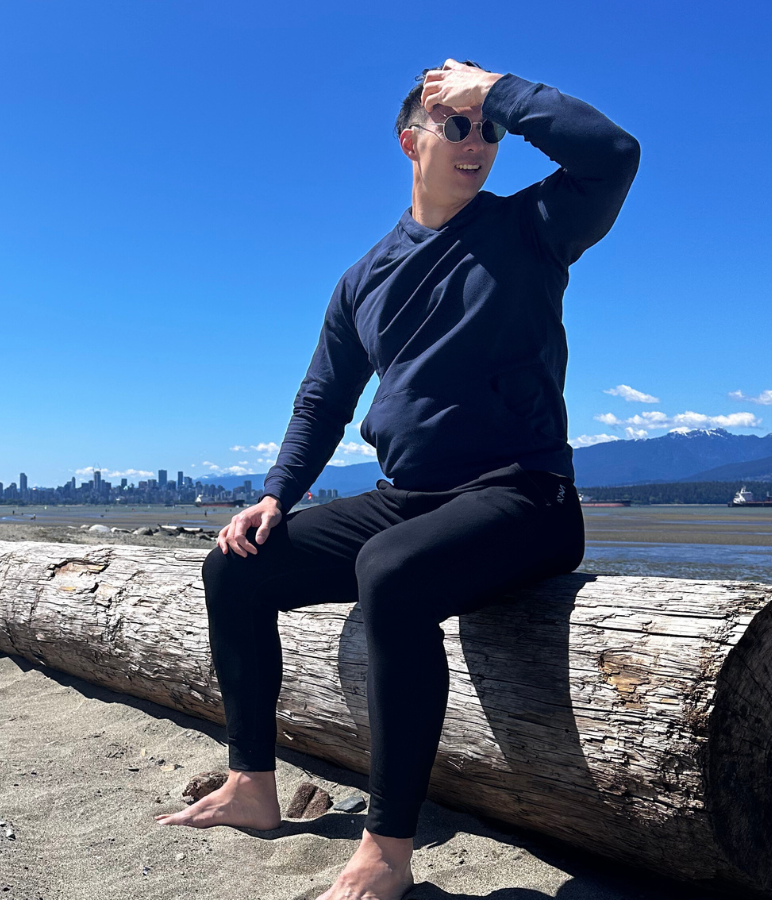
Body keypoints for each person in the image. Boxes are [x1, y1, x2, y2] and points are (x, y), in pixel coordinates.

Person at [155, 60, 639, 900]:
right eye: (455, 125)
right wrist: (277, 495)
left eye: (487, 129)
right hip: (412, 497)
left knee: (393, 570)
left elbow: (613, 153)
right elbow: (323, 400)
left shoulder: (531, 228)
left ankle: (386, 847)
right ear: (410, 140)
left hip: (525, 494)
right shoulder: (364, 278)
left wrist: (497, 91)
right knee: (235, 566)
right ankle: (252, 786)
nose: (477, 142)